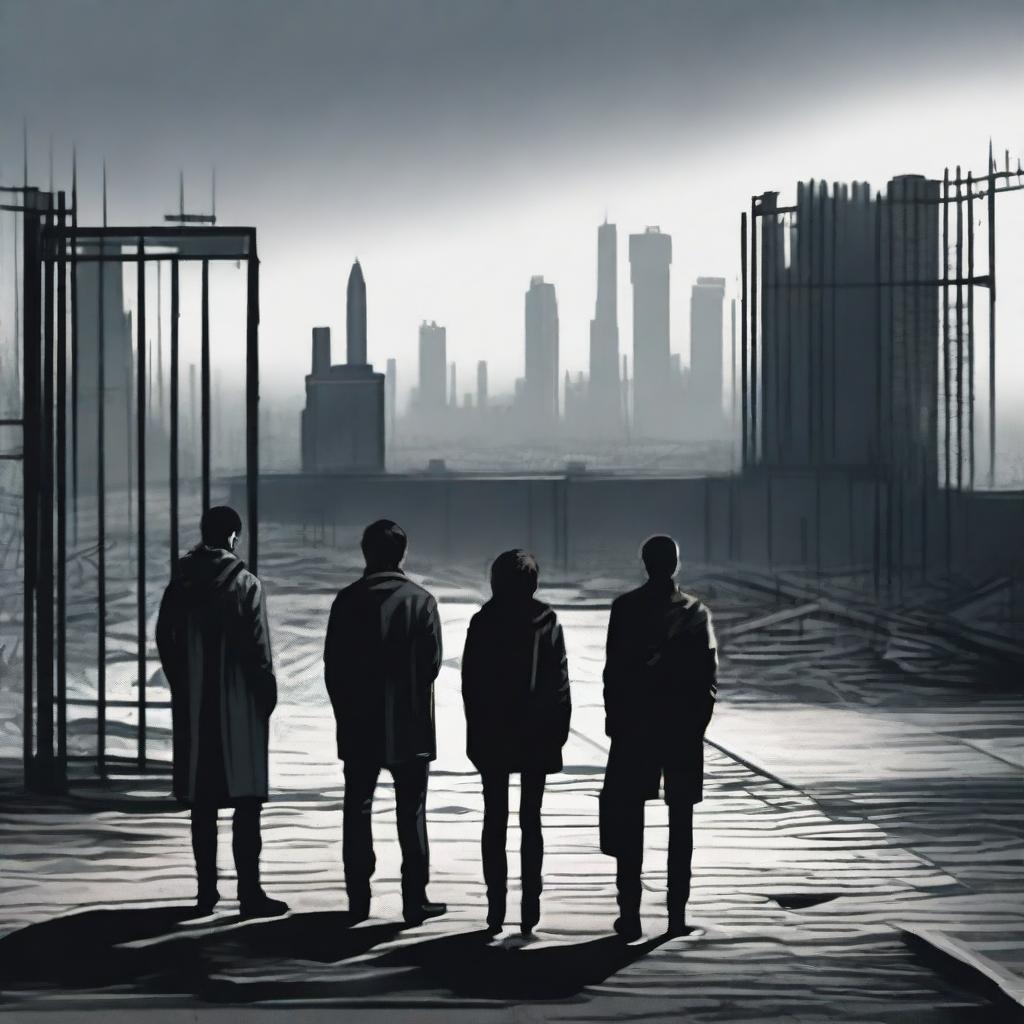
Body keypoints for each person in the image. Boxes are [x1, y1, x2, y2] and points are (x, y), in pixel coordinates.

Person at [156, 505, 288, 919]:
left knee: (203, 803)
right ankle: (249, 892)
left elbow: (165, 637)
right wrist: (264, 695)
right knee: (246, 803)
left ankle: (205, 892)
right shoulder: (246, 584)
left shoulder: (181, 581)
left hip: (195, 705)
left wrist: (183, 681)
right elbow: (259, 650)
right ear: (233, 536)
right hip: (239, 706)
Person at [323, 519, 446, 925]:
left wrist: (346, 711)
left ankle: (358, 897)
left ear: (365, 553)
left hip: (360, 723)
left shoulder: (346, 601)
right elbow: (431, 665)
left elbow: (333, 668)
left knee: (357, 809)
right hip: (409, 725)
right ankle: (415, 899)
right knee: (411, 812)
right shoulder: (422, 601)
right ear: (402, 554)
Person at [601, 535, 718, 941]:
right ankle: (676, 912)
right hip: (681, 729)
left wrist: (615, 723)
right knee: (681, 822)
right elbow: (708, 676)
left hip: (635, 727)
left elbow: (612, 673)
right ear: (676, 565)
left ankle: (629, 913)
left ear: (644, 563)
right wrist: (696, 726)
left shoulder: (625, 609)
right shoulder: (696, 613)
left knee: (629, 820)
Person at [461, 550, 571, 935]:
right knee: (531, 820)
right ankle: (531, 904)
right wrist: (558, 732)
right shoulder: (547, 620)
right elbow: (560, 682)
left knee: (495, 819)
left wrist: (475, 734)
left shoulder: (482, 622)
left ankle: (495, 906)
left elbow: (470, 685)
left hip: (493, 735)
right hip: (537, 735)